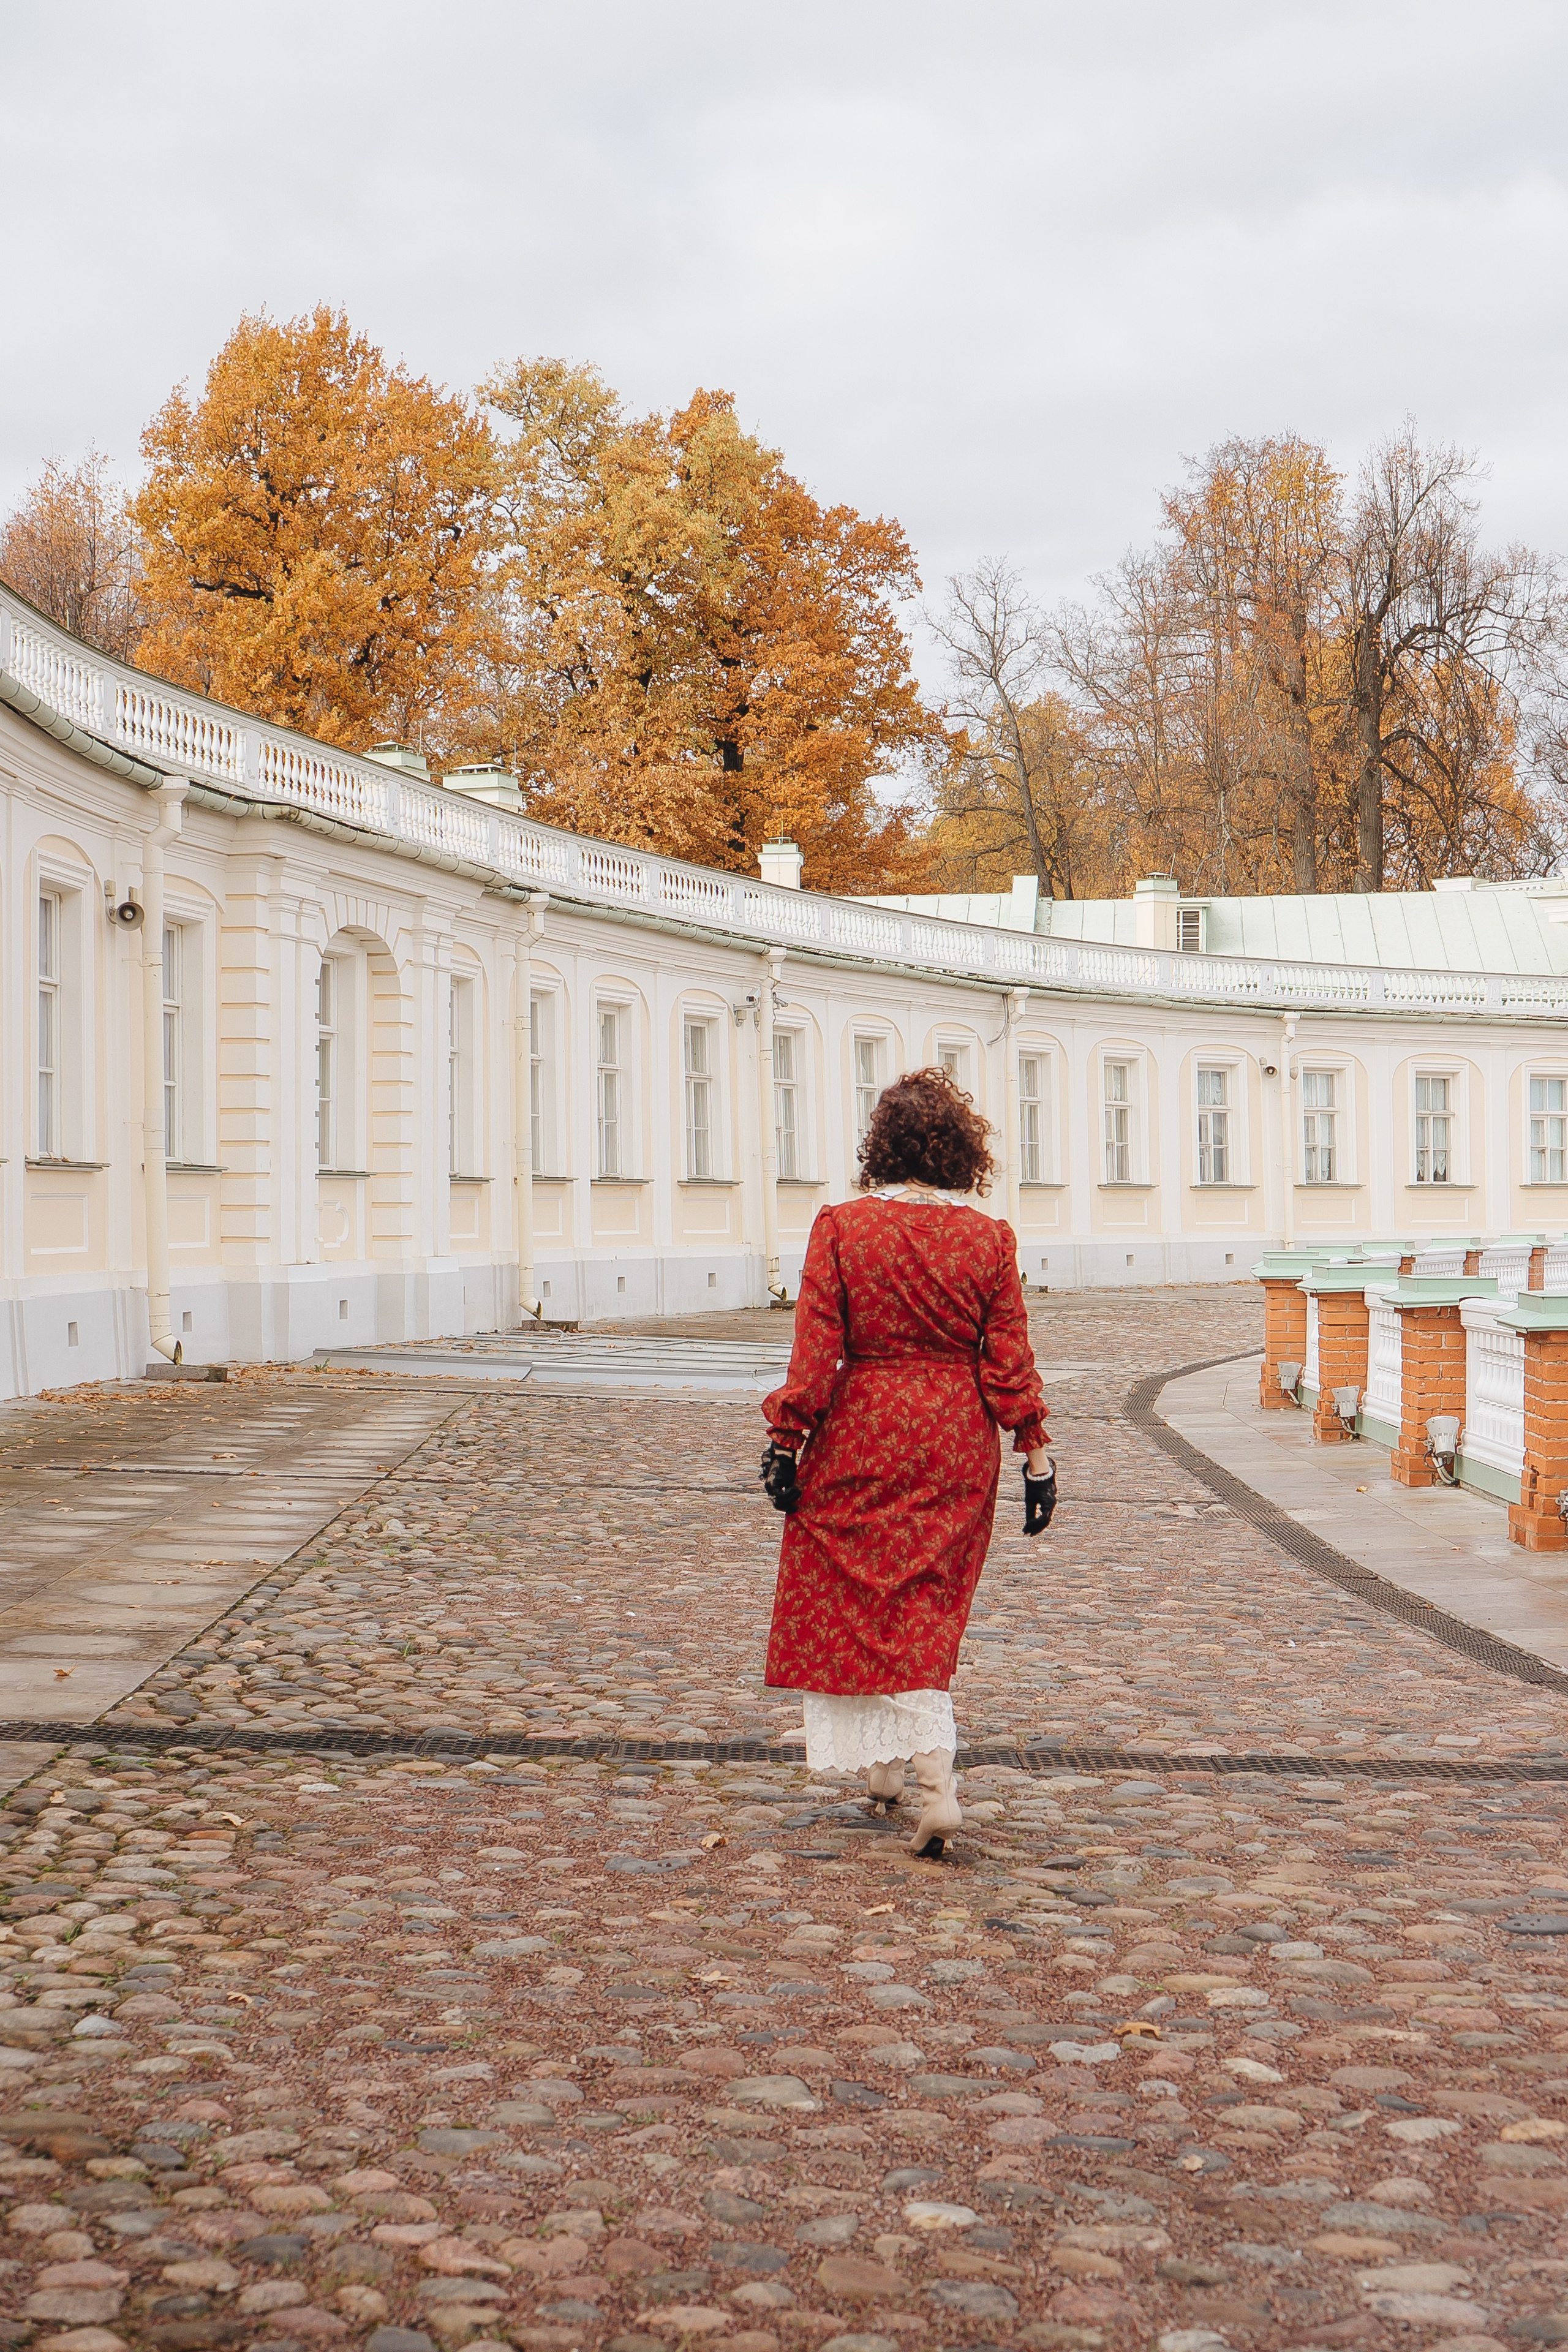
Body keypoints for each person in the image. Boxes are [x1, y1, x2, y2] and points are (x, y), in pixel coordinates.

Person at [758, 1065, 1053, 1857]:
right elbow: (1008, 1357)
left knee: (853, 1587)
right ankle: (890, 1775)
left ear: (879, 1148)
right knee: (924, 1593)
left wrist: (787, 1439)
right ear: (962, 1153)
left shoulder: (842, 1227)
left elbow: (817, 1350)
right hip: (957, 1432)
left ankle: (935, 1782)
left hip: (865, 1424)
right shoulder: (989, 1236)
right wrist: (1033, 1450)